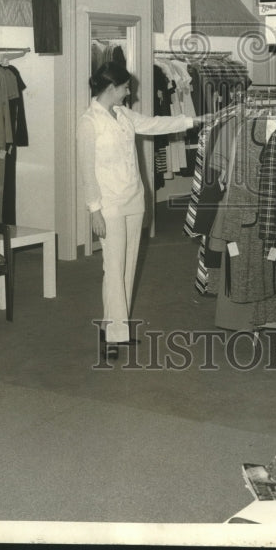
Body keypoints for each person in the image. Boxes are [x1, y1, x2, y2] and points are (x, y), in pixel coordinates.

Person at [77, 61, 207, 360]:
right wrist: (94, 210)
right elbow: (86, 171)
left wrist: (193, 120)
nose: (128, 93)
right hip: (108, 204)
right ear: (111, 88)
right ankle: (113, 333)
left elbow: (153, 123)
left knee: (128, 265)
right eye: (125, 88)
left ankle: (116, 327)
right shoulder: (89, 123)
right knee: (113, 267)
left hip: (134, 198)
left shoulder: (122, 114)